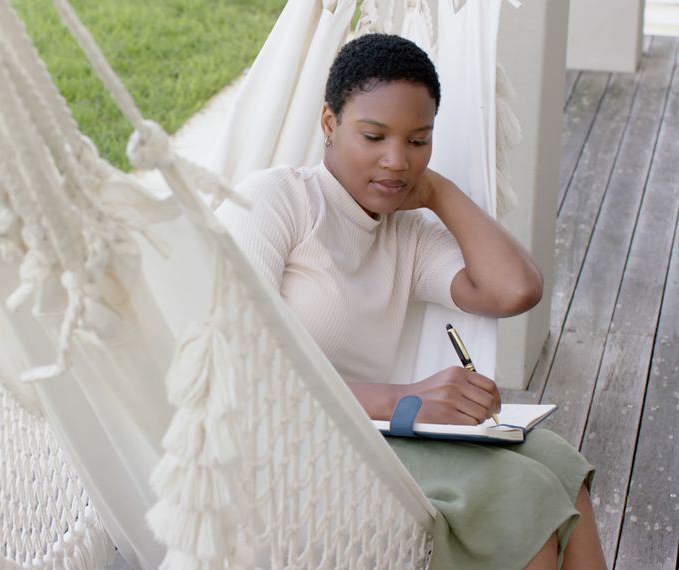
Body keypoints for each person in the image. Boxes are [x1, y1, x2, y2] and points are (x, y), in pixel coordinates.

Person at [218, 34, 606, 570]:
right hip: (280, 450)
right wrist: (405, 401)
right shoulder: (276, 202)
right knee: (518, 497)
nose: (396, 160)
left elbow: (516, 289)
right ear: (328, 123)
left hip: (372, 441)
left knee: (559, 464)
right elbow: (241, 374)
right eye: (374, 136)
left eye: (418, 141)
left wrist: (438, 192)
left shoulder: (408, 234)